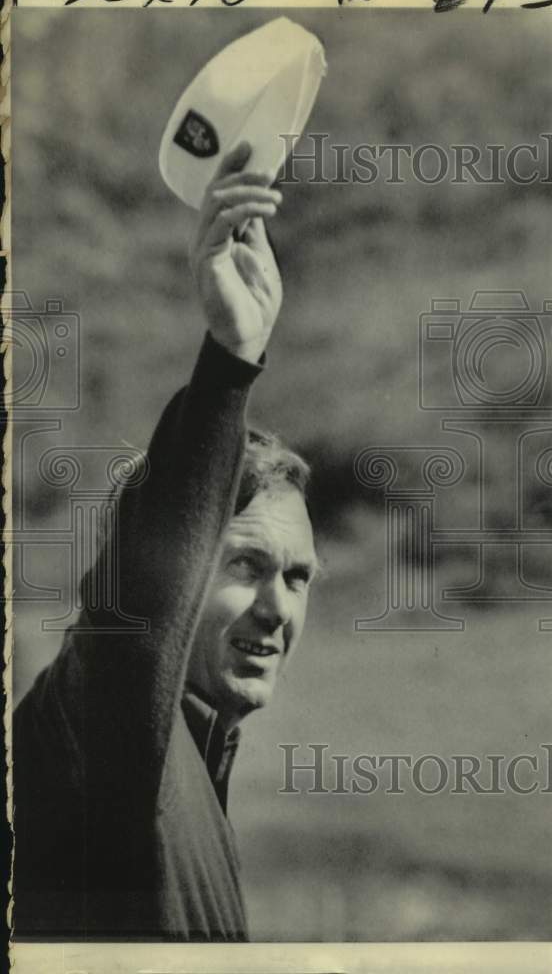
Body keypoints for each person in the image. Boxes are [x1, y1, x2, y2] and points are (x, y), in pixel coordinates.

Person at [13, 141, 318, 942]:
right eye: (247, 565)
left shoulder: (197, 748)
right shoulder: (104, 710)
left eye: (297, 578)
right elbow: (144, 618)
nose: (276, 608)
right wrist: (231, 360)